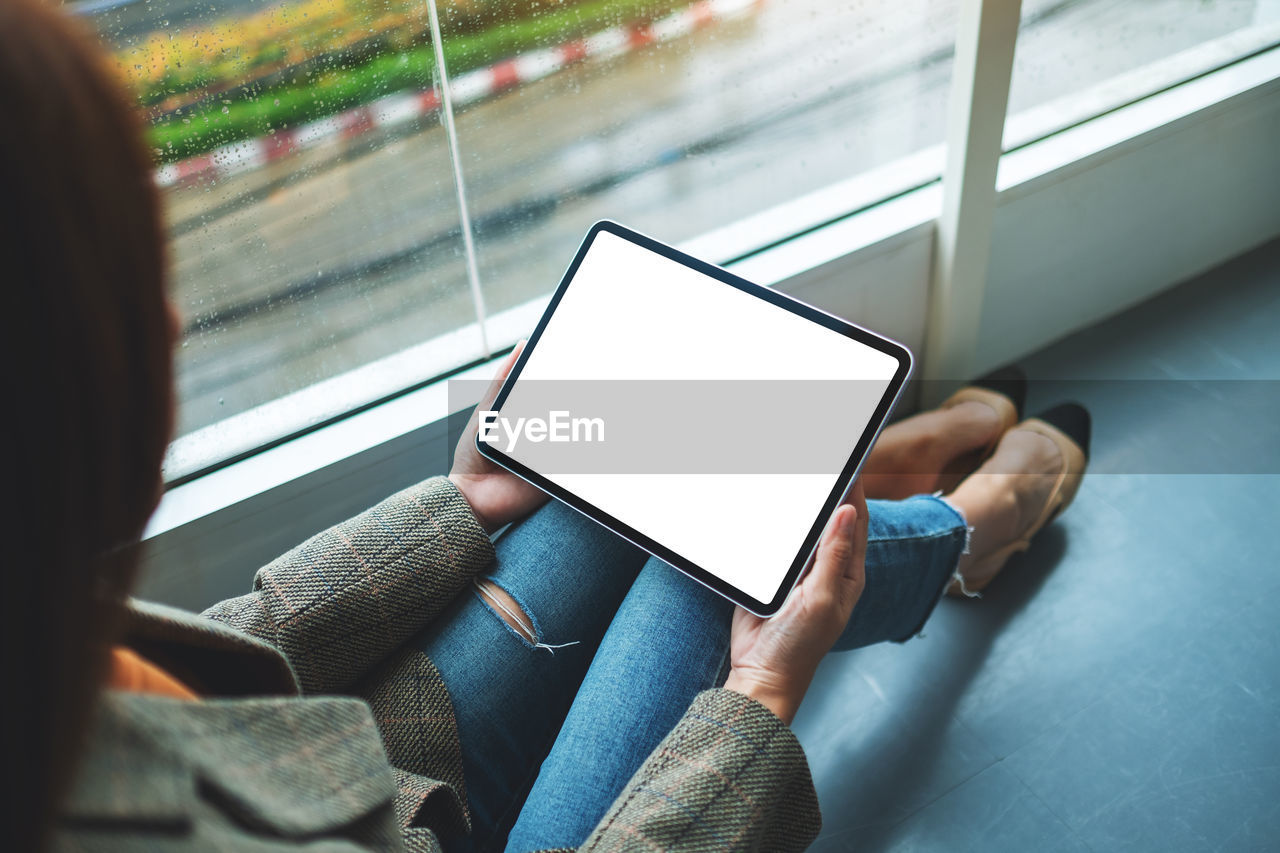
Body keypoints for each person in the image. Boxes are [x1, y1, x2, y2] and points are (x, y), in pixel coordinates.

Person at [0, 1, 1090, 850]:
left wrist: (461, 502)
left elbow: (228, 653)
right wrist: (754, 703)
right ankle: (962, 522)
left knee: (636, 474)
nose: (175, 320)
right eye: (135, 288)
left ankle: (876, 478)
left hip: (374, 751)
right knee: (710, 553)